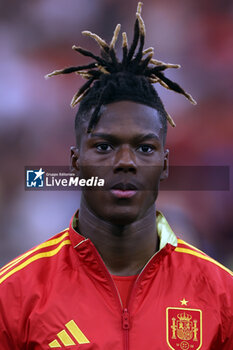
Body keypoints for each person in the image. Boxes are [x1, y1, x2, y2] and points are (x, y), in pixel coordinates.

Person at [0, 3, 232, 349]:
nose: (126, 162)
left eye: (145, 148)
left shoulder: (221, 294)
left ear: (165, 164)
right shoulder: (14, 294)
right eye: (105, 147)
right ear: (76, 164)